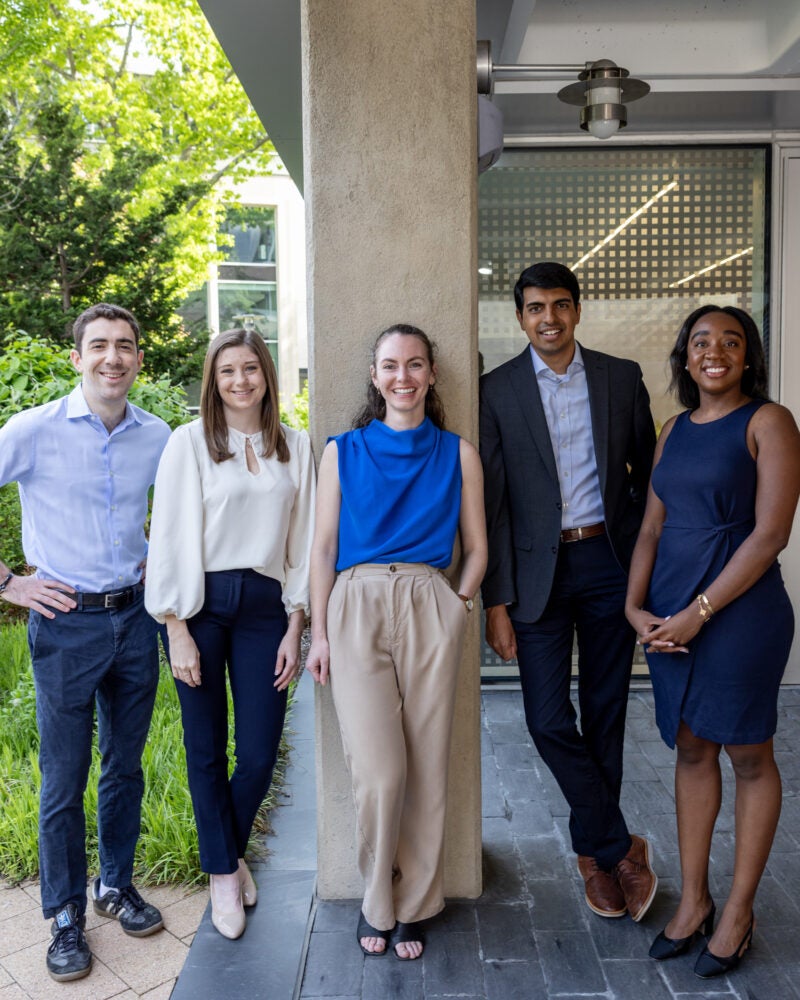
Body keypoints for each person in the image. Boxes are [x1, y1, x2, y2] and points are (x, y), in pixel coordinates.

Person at [625, 305, 800, 978]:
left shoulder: (768, 422)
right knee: (693, 746)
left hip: (740, 614)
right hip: (672, 614)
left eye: (731, 341)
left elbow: (771, 534)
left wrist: (700, 611)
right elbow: (651, 526)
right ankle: (695, 900)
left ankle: (739, 911)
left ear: (748, 356)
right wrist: (635, 606)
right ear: (686, 357)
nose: (715, 352)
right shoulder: (673, 430)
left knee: (748, 754)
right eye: (701, 342)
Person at [480, 262, 658, 921]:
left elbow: (648, 477)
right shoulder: (496, 391)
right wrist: (496, 601)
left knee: (606, 712)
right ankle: (618, 845)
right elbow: (494, 504)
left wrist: (644, 561)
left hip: (608, 563)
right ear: (520, 318)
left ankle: (596, 859)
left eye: (559, 304)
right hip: (536, 577)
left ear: (577, 310)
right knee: (548, 718)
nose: (548, 318)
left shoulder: (620, 377)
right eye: (535, 307)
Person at [306, 323, 487, 960]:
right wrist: (319, 631)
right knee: (381, 773)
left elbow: (478, 547)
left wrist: (458, 605)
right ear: (375, 376)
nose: (402, 376)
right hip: (354, 603)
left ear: (431, 374)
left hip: (430, 600)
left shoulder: (459, 454)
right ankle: (376, 899)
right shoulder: (342, 452)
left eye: (414, 364)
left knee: (429, 766)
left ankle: (415, 906)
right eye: (390, 365)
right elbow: (322, 549)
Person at [0, 303, 170, 983]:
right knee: (64, 777)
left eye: (124, 346)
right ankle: (66, 913)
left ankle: (115, 886)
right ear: (77, 358)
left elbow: (181, 512)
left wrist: (161, 553)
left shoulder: (157, 435)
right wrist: (10, 584)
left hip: (135, 619)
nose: (112, 358)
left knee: (125, 767)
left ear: (138, 359)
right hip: (65, 623)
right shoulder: (33, 430)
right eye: (98, 345)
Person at [145, 328, 315, 940]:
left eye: (250, 368)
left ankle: (227, 851)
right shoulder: (188, 442)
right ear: (213, 383)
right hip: (202, 607)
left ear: (266, 374)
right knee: (206, 747)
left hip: (267, 611)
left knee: (260, 752)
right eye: (227, 371)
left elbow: (303, 543)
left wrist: (296, 624)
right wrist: (175, 628)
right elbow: (168, 535)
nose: (240, 381)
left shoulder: (295, 446)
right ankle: (223, 874)